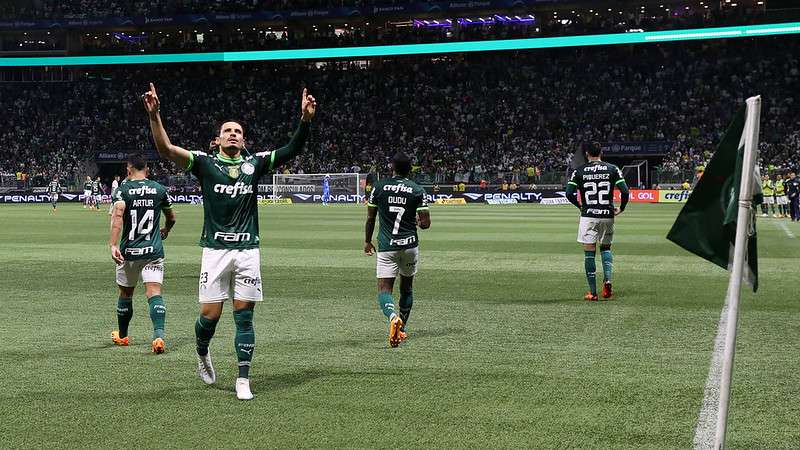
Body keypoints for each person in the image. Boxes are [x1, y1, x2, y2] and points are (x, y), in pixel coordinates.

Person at [143, 82, 316, 400]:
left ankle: (243, 378)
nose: (233, 133)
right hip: (215, 251)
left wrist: (304, 121)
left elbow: (292, 149)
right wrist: (155, 116)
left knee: (244, 315)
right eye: (228, 130)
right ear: (218, 139)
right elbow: (166, 149)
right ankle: (201, 352)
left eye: (238, 131)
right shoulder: (205, 164)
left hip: (248, 250)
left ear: (244, 139)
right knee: (210, 315)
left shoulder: (256, 164)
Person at [109, 154, 176, 354]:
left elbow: (118, 215)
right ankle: (158, 336)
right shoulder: (159, 189)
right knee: (154, 293)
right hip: (153, 250)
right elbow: (171, 218)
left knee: (126, 293)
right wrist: (166, 229)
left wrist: (113, 244)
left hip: (129, 252)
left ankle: (122, 336)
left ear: (128, 170)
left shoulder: (122, 190)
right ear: (147, 170)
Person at [364, 152, 431, 347]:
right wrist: (418, 221)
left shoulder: (378, 187)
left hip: (387, 246)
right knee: (407, 287)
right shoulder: (417, 190)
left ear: (391, 167)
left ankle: (393, 317)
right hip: (410, 246)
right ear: (410, 169)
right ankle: (401, 329)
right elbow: (425, 224)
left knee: (385, 289)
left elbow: (370, 218)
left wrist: (367, 242)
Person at [565, 142, 630, 301]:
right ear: (602, 152)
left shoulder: (578, 171)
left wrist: (580, 206)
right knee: (606, 248)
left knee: (589, 253)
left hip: (589, 215)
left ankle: (593, 293)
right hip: (607, 214)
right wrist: (621, 208)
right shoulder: (613, 168)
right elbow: (625, 192)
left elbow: (569, 193)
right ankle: (607, 280)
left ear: (587, 154)